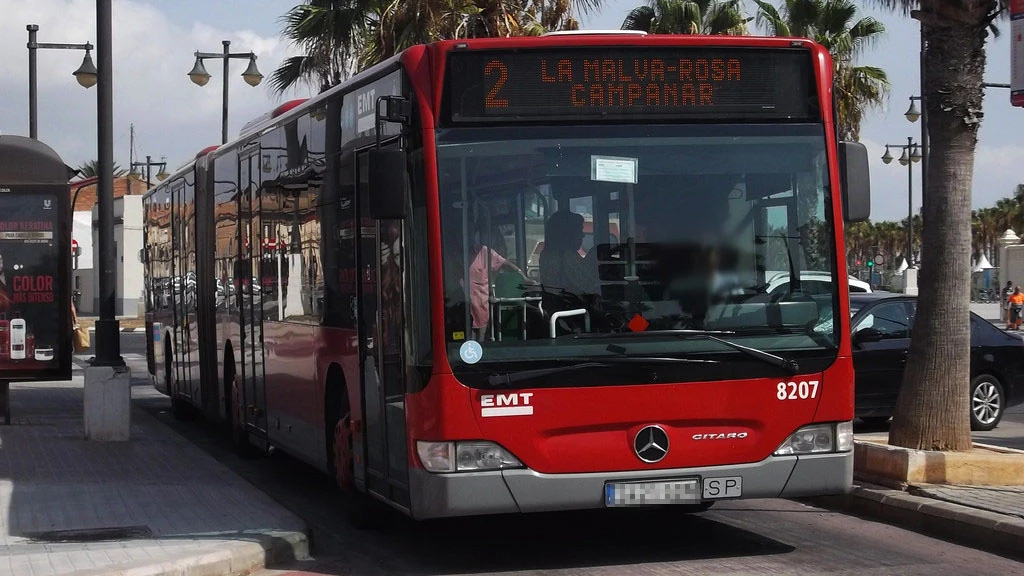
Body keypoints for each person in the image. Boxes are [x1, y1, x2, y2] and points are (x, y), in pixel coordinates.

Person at [466, 230, 530, 341]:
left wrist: (523, 277)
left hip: (481, 311)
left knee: (481, 344)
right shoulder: (454, 255)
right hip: (461, 310)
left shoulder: (485, 252)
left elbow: (505, 264)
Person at [539, 210, 600, 296]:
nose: (583, 235)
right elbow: (590, 287)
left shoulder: (546, 254)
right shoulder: (566, 256)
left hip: (555, 305)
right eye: (579, 230)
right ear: (568, 233)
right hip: (573, 306)